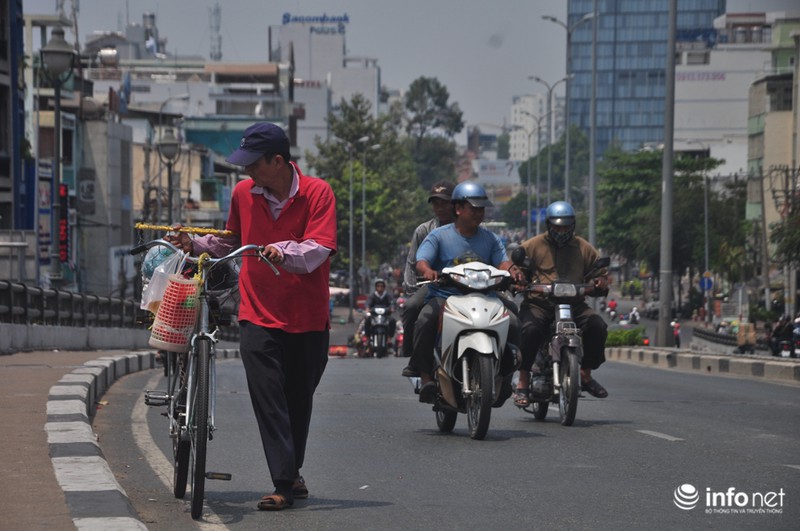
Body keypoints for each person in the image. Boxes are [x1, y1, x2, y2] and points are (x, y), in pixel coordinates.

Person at [165, 122, 336, 511]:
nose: (246, 172)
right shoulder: (244, 194)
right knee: (268, 397)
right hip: (257, 312)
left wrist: (282, 252)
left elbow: (318, 248)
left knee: (298, 401)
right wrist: (194, 244)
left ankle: (291, 472)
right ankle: (283, 484)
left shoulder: (318, 193)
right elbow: (231, 239)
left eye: (253, 164)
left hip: (308, 318)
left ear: (278, 161)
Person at [411, 181, 524, 404]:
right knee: (425, 319)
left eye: (481, 209)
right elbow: (421, 261)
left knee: (514, 322)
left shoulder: (490, 239)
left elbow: (502, 263)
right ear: (458, 209)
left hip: (486, 297)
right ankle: (425, 378)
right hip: (445, 297)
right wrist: (429, 271)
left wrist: (513, 272)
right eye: (474, 208)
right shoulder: (439, 236)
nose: (479, 213)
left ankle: (506, 374)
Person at [514, 201, 610, 407]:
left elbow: (598, 272)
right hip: (540, 304)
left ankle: (585, 374)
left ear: (573, 225)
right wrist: (519, 278)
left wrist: (600, 281)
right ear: (549, 225)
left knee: (597, 326)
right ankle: (522, 381)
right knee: (530, 330)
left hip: (574, 304)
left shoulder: (583, 247)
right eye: (557, 226)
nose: (561, 231)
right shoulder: (533, 245)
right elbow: (517, 267)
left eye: (566, 226)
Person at [400, 180, 456, 376]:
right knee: (411, 306)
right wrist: (413, 286)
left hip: (466, 284)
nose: (440, 208)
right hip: (434, 283)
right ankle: (413, 355)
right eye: (436, 203)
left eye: (445, 203)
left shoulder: (468, 228)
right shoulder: (425, 230)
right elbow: (414, 262)